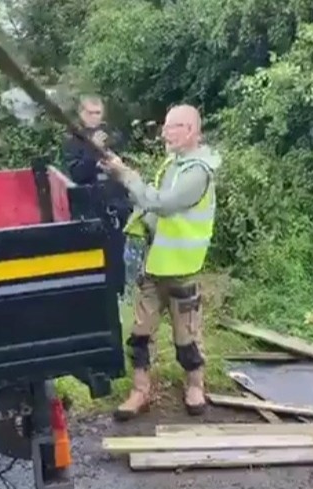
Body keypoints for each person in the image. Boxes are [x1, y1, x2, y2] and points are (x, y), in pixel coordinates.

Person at [100, 104, 222, 420]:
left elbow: (163, 204)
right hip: (154, 266)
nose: (165, 133)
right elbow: (150, 204)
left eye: (173, 127)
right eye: (166, 126)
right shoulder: (174, 164)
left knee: (187, 338)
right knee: (140, 335)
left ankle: (195, 387)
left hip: (182, 269)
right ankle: (140, 392)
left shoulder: (198, 172)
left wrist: (126, 175)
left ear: (192, 131)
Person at [62, 94, 131, 295]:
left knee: (117, 257)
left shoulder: (112, 135)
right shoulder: (72, 140)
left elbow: (125, 166)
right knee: (95, 261)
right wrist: (94, 151)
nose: (94, 117)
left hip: (116, 205)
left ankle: (119, 294)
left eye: (98, 113)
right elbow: (77, 175)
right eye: (90, 113)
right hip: (90, 208)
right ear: (81, 114)